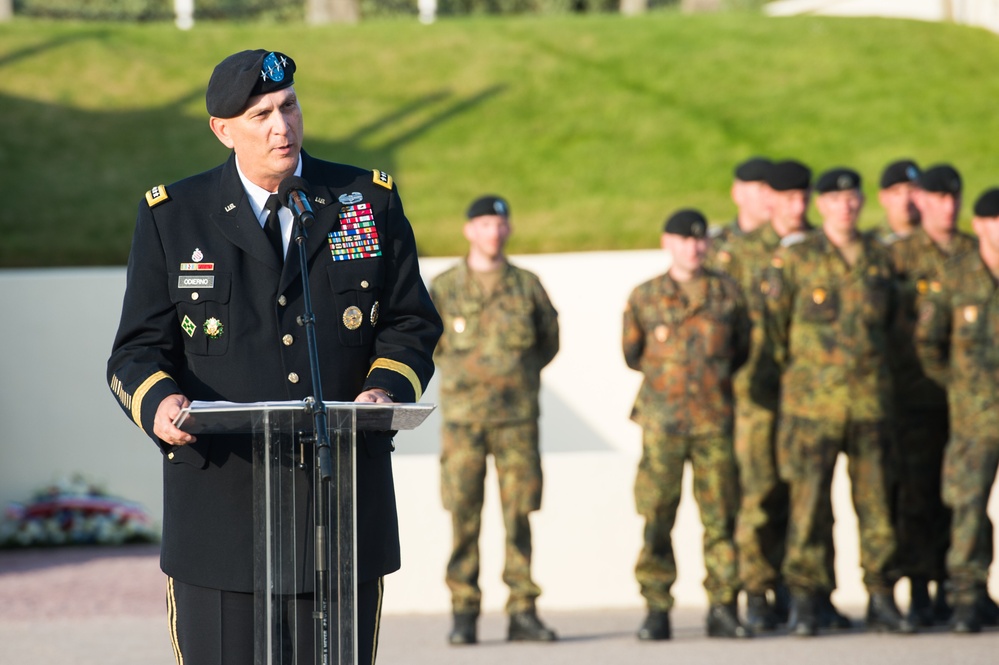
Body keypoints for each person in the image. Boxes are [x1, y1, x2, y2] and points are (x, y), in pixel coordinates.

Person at [106, 49, 443, 665]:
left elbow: (409, 323)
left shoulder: (364, 201)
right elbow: (135, 352)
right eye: (260, 115)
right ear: (223, 130)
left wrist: (384, 390)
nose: (281, 127)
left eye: (288, 106)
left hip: (338, 513)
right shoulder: (174, 217)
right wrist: (160, 404)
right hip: (222, 517)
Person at [763, 167, 915, 636]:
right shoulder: (796, 260)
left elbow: (895, 327)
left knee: (877, 505)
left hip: (870, 403)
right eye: (834, 199)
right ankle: (809, 599)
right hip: (811, 408)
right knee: (808, 507)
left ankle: (882, 595)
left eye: (852, 199)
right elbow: (774, 333)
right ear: (820, 205)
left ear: (860, 204)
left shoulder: (880, 259)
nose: (844, 207)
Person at [429, 195, 560, 645]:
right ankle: (464, 611)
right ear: (469, 230)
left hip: (516, 420)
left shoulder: (527, 286)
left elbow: (547, 342)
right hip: (464, 422)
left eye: (500, 224)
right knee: (464, 514)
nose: (493, 232)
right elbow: (429, 343)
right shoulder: (445, 287)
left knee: (519, 515)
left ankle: (523, 609)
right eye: (484, 224)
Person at [624, 209, 752, 641]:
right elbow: (632, 353)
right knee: (658, 516)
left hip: (714, 422)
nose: (693, 247)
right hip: (662, 425)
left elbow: (742, 350)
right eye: (684, 239)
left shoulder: (728, 294)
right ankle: (657, 608)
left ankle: (723, 606)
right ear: (667, 242)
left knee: (721, 519)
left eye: (700, 240)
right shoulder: (645, 296)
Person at [887, 164, 977, 625]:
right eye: (939, 197)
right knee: (916, 494)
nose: (949, 206)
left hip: (968, 402)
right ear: (920, 201)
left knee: (963, 497)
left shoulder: (974, 253)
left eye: (954, 198)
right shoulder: (897, 256)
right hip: (913, 395)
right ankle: (921, 587)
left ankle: (959, 587)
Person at [926, 187, 999, 633]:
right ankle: (968, 597)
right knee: (968, 507)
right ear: (979, 226)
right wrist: (958, 389)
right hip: (974, 419)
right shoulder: (957, 278)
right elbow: (928, 344)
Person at [874, 159, 921, 244]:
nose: (906, 199)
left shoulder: (939, 236)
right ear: (883, 197)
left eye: (912, 190)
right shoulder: (873, 243)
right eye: (896, 192)